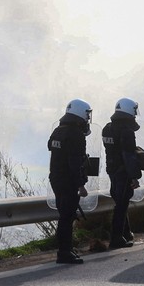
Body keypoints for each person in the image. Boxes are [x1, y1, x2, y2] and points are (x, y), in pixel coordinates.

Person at [48, 98, 91, 264]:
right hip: (68, 181)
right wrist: (80, 185)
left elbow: (50, 146)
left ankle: (65, 249)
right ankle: (64, 252)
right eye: (87, 114)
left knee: (64, 215)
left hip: (56, 178)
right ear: (80, 113)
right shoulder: (76, 135)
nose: (87, 118)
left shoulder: (58, 130)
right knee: (67, 217)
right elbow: (74, 162)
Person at [102, 97, 143, 249]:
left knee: (120, 202)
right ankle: (116, 238)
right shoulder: (127, 131)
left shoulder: (107, 128)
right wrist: (134, 176)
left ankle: (126, 233)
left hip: (112, 171)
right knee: (122, 204)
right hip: (123, 172)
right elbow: (128, 156)